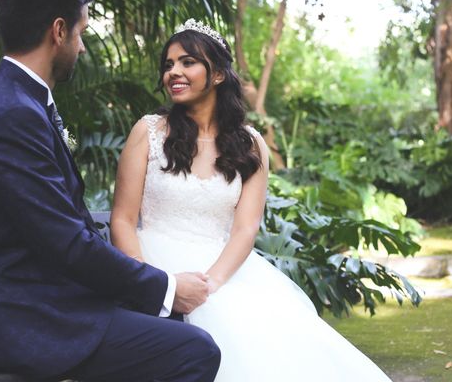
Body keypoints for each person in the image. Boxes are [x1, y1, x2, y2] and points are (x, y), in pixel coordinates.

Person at [0, 0, 221, 382]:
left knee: (173, 332)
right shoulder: (13, 112)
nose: (82, 47)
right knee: (194, 350)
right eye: (81, 32)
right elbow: (65, 241)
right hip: (12, 317)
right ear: (59, 31)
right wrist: (166, 288)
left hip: (41, 301)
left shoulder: (22, 101)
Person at [110, 19, 393, 381]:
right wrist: (152, 283)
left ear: (216, 75)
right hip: (153, 264)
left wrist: (208, 286)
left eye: (187, 62)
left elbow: (245, 228)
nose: (174, 72)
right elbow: (121, 219)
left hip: (222, 271)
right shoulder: (148, 131)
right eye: (168, 64)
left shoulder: (249, 143)